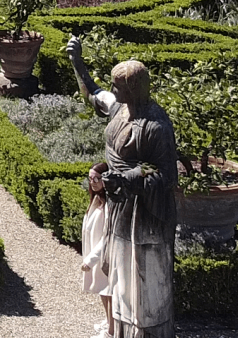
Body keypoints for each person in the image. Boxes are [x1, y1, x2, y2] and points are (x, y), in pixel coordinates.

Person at [66, 39, 178, 338]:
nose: (113, 91)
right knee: (119, 275)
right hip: (120, 209)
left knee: (143, 281)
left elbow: (167, 175)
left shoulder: (156, 126)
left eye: (117, 86)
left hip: (145, 217)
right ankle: (120, 332)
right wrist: (77, 63)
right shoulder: (119, 109)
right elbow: (92, 93)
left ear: (132, 89)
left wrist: (127, 178)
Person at [80, 163, 113, 334]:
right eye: (90, 178)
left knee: (109, 291)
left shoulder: (109, 205)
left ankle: (112, 331)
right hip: (96, 254)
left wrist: (91, 259)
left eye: (97, 178)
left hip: (105, 256)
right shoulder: (96, 200)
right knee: (102, 289)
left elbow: (108, 236)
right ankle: (108, 322)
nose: (93, 182)